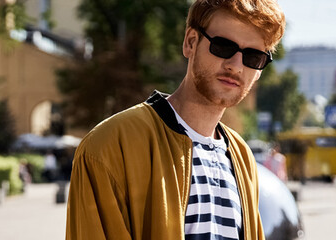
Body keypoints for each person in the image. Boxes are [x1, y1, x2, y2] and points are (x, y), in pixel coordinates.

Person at [65, 0, 285, 239]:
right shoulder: (110, 145)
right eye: (223, 46)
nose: (236, 66)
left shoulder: (242, 156)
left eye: (253, 57)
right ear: (191, 42)